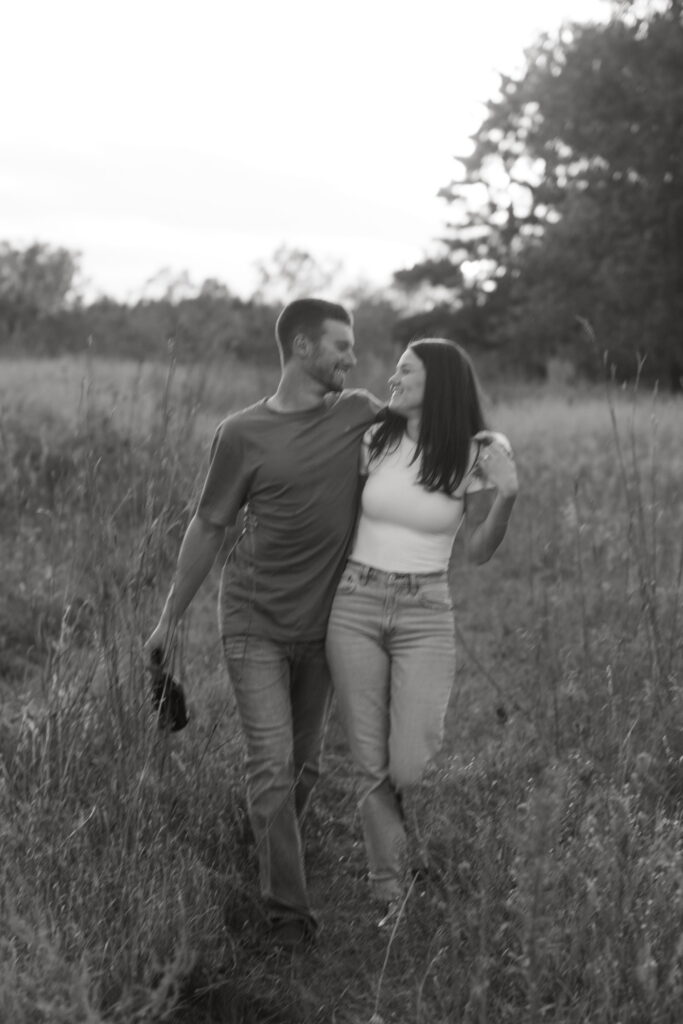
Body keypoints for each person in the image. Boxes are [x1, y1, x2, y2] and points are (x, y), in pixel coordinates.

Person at [145, 298, 380, 950]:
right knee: (272, 764)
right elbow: (208, 526)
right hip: (253, 621)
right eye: (340, 345)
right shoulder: (241, 433)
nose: (350, 358)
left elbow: (427, 430)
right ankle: (287, 917)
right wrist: (168, 618)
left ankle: (274, 852)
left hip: (327, 627)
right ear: (302, 347)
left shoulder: (359, 412)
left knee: (303, 768)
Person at [325, 337, 518, 926]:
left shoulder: (479, 452)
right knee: (369, 763)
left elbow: (479, 552)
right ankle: (390, 892)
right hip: (354, 603)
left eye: (405, 371)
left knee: (409, 764)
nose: (393, 378)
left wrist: (508, 493)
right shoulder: (372, 439)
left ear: (440, 381)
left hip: (426, 610)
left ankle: (405, 847)